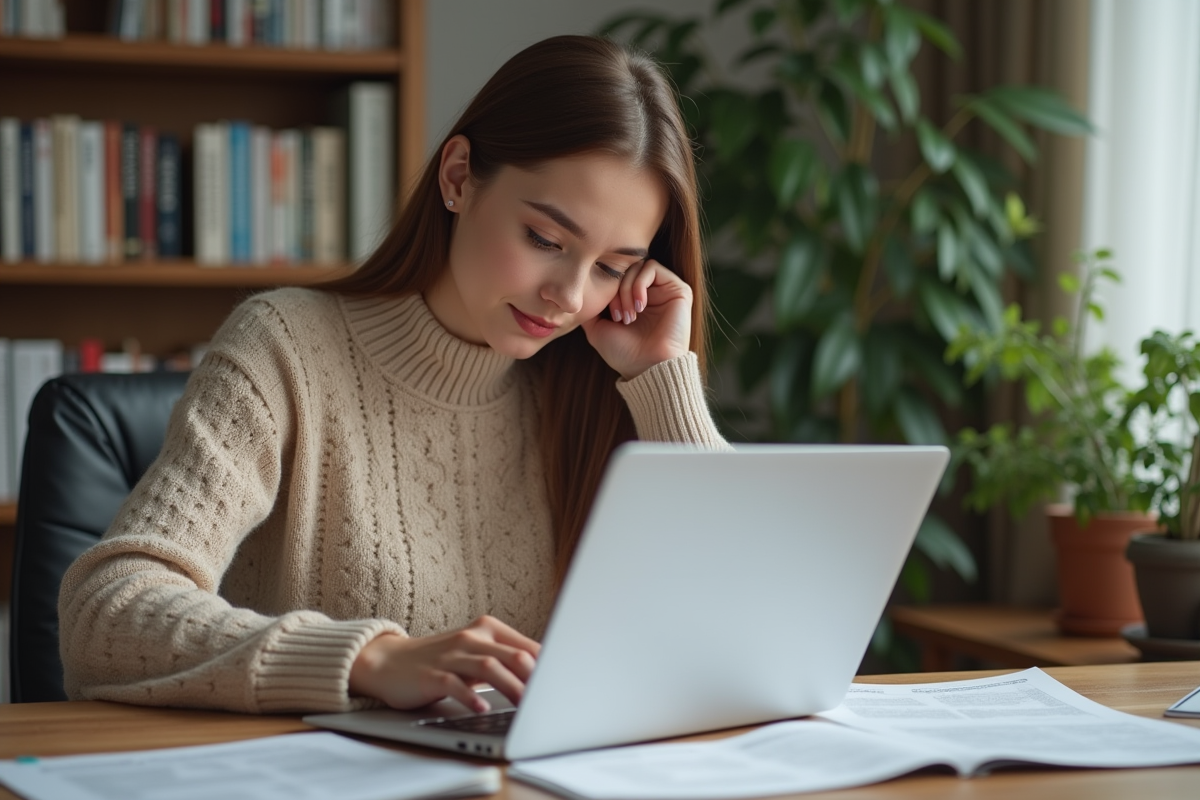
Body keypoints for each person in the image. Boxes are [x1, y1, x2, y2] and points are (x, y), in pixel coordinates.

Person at [58, 35, 728, 715]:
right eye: (546, 241)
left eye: (613, 267)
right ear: (459, 178)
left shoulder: (587, 385)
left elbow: (740, 629)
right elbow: (105, 614)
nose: (570, 295)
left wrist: (662, 375)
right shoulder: (286, 348)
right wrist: (371, 659)